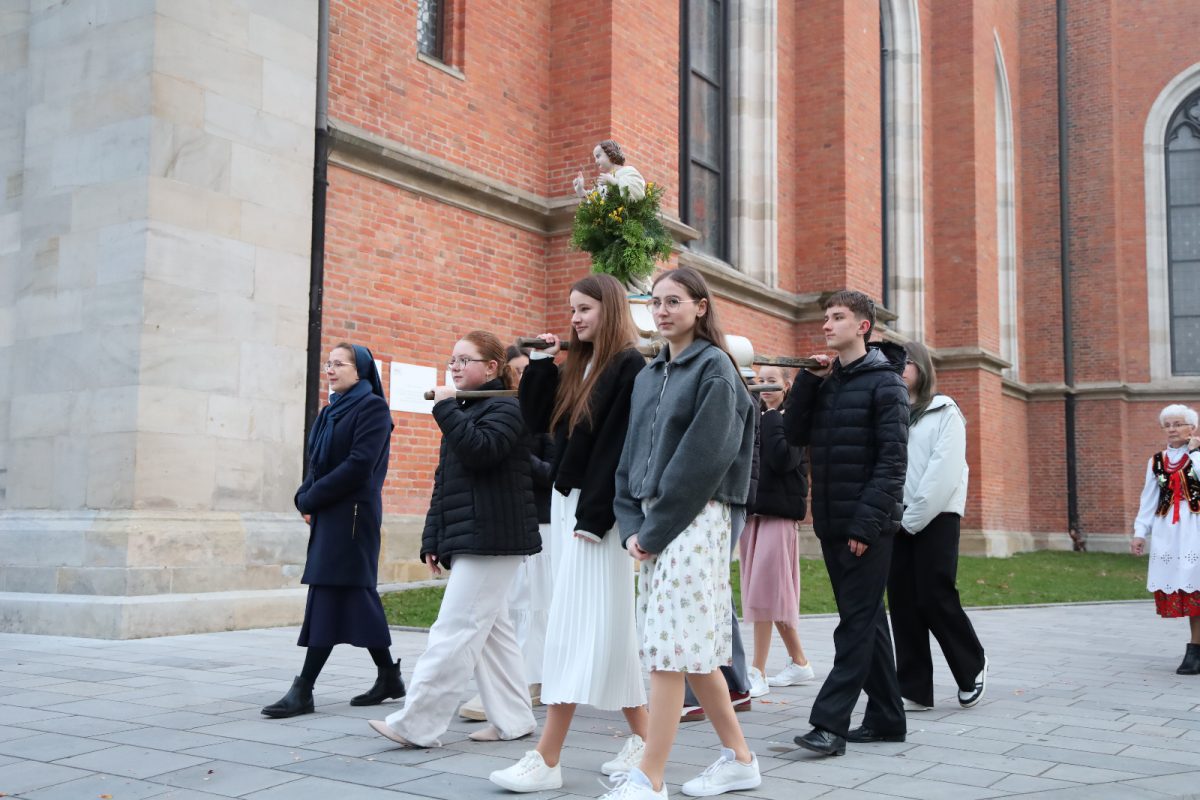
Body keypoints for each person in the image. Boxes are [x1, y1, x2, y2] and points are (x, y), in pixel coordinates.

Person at [489, 274, 649, 793]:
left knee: (571, 628)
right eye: (572, 309)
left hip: (596, 515)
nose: (576, 318)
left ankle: (547, 757)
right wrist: (540, 363)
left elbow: (618, 450)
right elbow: (537, 420)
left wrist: (595, 519)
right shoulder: (579, 363)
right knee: (611, 630)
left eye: (585, 309)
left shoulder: (629, 365)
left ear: (610, 309)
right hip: (570, 506)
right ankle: (645, 741)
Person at [608, 266, 760, 800]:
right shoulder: (649, 376)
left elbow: (704, 462)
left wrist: (653, 530)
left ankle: (649, 777)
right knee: (688, 646)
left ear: (700, 306)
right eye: (656, 302)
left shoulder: (715, 368)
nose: (662, 310)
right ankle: (740, 760)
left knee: (670, 650)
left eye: (674, 300)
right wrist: (632, 525)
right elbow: (628, 459)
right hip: (654, 522)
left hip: (697, 518)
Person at [368, 330, 541, 747]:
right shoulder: (467, 409)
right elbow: (446, 482)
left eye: (465, 360)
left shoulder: (508, 407)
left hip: (493, 538)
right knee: (494, 634)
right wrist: (433, 538)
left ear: (492, 367)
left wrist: (445, 408)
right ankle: (515, 719)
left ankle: (417, 724)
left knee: (456, 628)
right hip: (475, 536)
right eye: (453, 361)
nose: (455, 368)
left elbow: (481, 451)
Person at [782, 290, 908, 757]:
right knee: (867, 620)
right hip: (833, 522)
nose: (826, 325)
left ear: (863, 326)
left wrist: (865, 526)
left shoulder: (887, 385)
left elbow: (893, 463)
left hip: (866, 527)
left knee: (855, 624)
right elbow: (794, 435)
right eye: (826, 317)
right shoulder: (828, 382)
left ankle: (829, 724)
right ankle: (887, 718)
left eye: (837, 317)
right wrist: (807, 382)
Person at [262, 343, 403, 718]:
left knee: (331, 592)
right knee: (355, 594)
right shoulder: (330, 411)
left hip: (354, 517)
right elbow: (319, 462)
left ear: (360, 371)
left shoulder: (372, 408)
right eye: (329, 363)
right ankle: (388, 676)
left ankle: (304, 688)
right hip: (331, 513)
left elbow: (359, 465)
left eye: (339, 364)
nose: (330, 369)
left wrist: (313, 497)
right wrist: (303, 495)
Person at [886, 341, 987, 712]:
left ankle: (972, 665)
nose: (899, 369)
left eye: (906, 363)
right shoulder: (891, 412)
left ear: (922, 367)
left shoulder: (945, 411)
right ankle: (913, 688)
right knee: (902, 602)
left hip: (936, 516)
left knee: (934, 595)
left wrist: (911, 520)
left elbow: (943, 473)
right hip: (896, 517)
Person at [459, 344, 554, 722]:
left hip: (541, 520)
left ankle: (534, 679)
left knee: (534, 603)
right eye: (517, 370)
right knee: (509, 605)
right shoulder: (499, 412)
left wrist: (519, 456)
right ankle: (511, 685)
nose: (521, 377)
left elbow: (553, 472)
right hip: (507, 519)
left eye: (527, 370)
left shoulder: (544, 418)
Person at [741, 365, 815, 698]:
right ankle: (799, 661)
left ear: (787, 385)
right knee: (770, 591)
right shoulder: (754, 417)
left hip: (779, 515)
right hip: (754, 514)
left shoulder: (791, 419)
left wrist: (771, 416)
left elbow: (783, 459)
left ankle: (757, 670)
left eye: (771, 381)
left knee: (764, 591)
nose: (764, 386)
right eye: (759, 381)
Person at [1131, 404, 1200, 676]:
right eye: (1167, 425)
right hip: (1169, 532)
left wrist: (1195, 452)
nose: (1172, 429)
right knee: (1187, 589)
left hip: (1196, 527)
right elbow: (1148, 500)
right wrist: (1140, 532)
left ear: (1192, 427)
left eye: (1178, 424)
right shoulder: (1157, 461)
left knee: (1197, 585)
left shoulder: (1198, 456)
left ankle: (1194, 651)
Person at [573, 139, 646, 202]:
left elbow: (637, 193)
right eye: (595, 158)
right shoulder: (604, 180)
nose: (596, 161)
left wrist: (614, 182)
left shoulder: (628, 171)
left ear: (610, 153)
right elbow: (595, 201)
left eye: (598, 156)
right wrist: (580, 190)